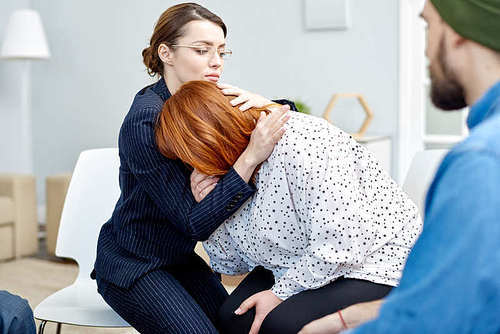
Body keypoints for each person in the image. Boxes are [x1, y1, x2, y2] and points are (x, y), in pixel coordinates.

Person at [155, 80, 422, 334]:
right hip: (299, 262)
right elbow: (232, 265)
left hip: (376, 261)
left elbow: (344, 242)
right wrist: (211, 208)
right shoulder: (233, 172)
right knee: (232, 318)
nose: (195, 168)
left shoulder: (301, 143)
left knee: (280, 324)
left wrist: (279, 294)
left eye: (193, 157)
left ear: (213, 139)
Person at [91, 3, 295, 333]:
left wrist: (265, 104)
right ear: (166, 53)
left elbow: (282, 112)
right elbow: (193, 221)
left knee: (239, 327)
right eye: (202, 50)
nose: (216, 62)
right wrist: (249, 158)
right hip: (135, 264)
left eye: (222, 52)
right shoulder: (145, 121)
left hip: (180, 259)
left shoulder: (208, 95)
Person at [299, 0, 500, 333]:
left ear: (458, 32)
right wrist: (352, 316)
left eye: (428, 26)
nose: (425, 51)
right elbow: (456, 294)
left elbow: (427, 323)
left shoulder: (480, 162)